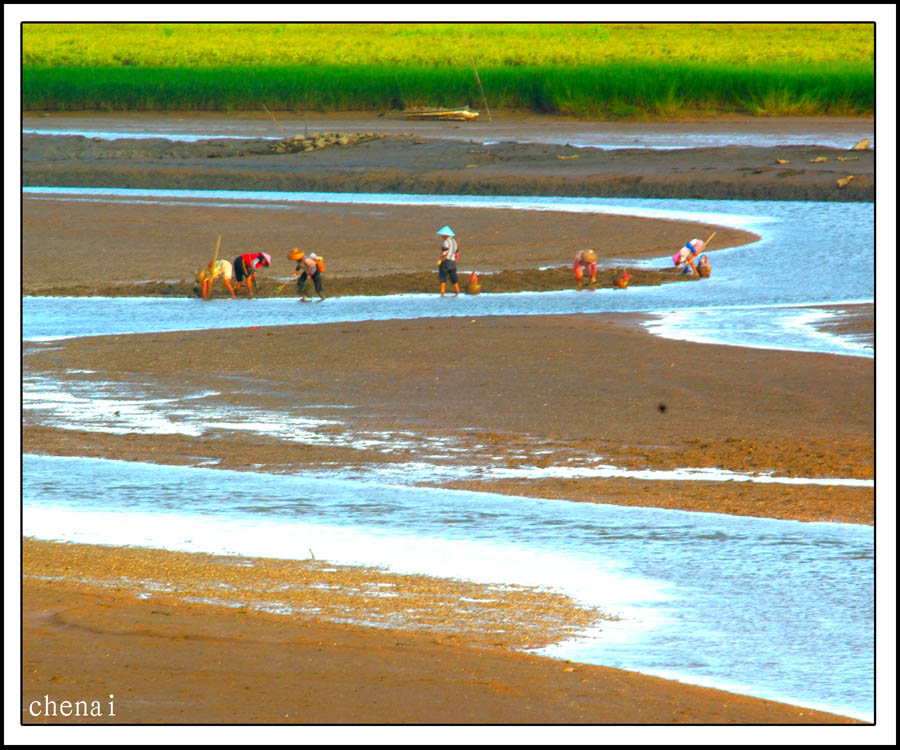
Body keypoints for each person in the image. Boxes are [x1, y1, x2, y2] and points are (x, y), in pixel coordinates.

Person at [436, 225, 460, 297]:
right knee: (453, 277)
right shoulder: (454, 241)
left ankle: (442, 292)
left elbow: (445, 252)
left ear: (446, 235)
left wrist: (440, 259)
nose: (442, 236)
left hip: (446, 262)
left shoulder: (445, 242)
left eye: (443, 235)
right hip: (453, 262)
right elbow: (457, 252)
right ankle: (457, 291)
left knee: (443, 277)